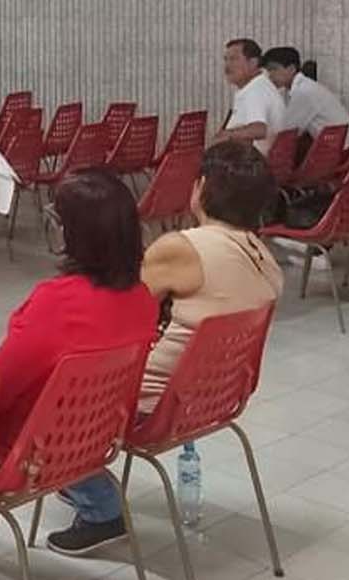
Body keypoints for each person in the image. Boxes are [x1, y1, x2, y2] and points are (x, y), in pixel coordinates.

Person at [46, 141, 283, 557]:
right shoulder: (267, 259)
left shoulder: (184, 248)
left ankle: (99, 507)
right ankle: (78, 476)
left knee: (47, 397)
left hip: (156, 405)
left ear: (201, 187)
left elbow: (118, 309)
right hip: (218, 399)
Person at [0, 170, 158, 557]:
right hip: (97, 434)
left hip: (32, 447)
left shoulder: (55, 303)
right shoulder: (143, 299)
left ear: (72, 234)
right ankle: (93, 493)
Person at [263, 46, 349, 138]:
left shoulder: (304, 91)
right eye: (268, 70)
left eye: (274, 69)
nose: (270, 75)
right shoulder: (291, 89)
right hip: (332, 141)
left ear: (292, 69)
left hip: (341, 145)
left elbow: (286, 131)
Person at [216, 38, 286, 155]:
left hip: (251, 162)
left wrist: (226, 135)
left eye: (234, 59)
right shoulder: (259, 85)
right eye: (226, 59)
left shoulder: (256, 91)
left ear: (253, 63)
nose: (227, 66)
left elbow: (259, 130)